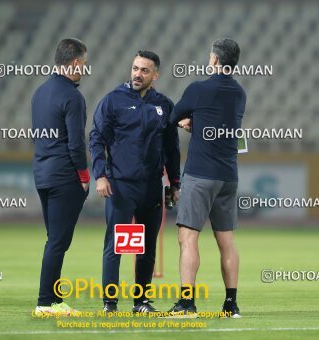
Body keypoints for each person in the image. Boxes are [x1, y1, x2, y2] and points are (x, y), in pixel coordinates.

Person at [90, 50, 180, 314]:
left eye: (144, 70)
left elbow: (171, 148)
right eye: (135, 68)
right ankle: (110, 302)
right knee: (116, 245)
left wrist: (174, 182)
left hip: (152, 186)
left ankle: (141, 302)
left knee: (147, 247)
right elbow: (96, 139)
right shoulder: (113, 100)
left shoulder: (164, 104)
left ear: (155, 74)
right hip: (121, 185)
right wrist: (100, 175)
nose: (137, 74)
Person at [167, 39, 246, 318]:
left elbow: (171, 117)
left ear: (214, 59)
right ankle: (231, 305)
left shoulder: (198, 89)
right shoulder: (239, 93)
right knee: (226, 241)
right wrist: (199, 124)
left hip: (201, 174)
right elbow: (221, 124)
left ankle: (187, 303)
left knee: (187, 237)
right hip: (228, 175)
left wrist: (185, 122)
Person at [31, 38, 90, 317]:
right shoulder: (72, 97)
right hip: (64, 176)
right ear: (76, 62)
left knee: (54, 239)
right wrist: (84, 175)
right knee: (58, 241)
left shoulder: (39, 93)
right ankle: (46, 302)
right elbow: (76, 143)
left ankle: (54, 300)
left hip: (42, 173)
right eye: (85, 64)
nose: (84, 70)